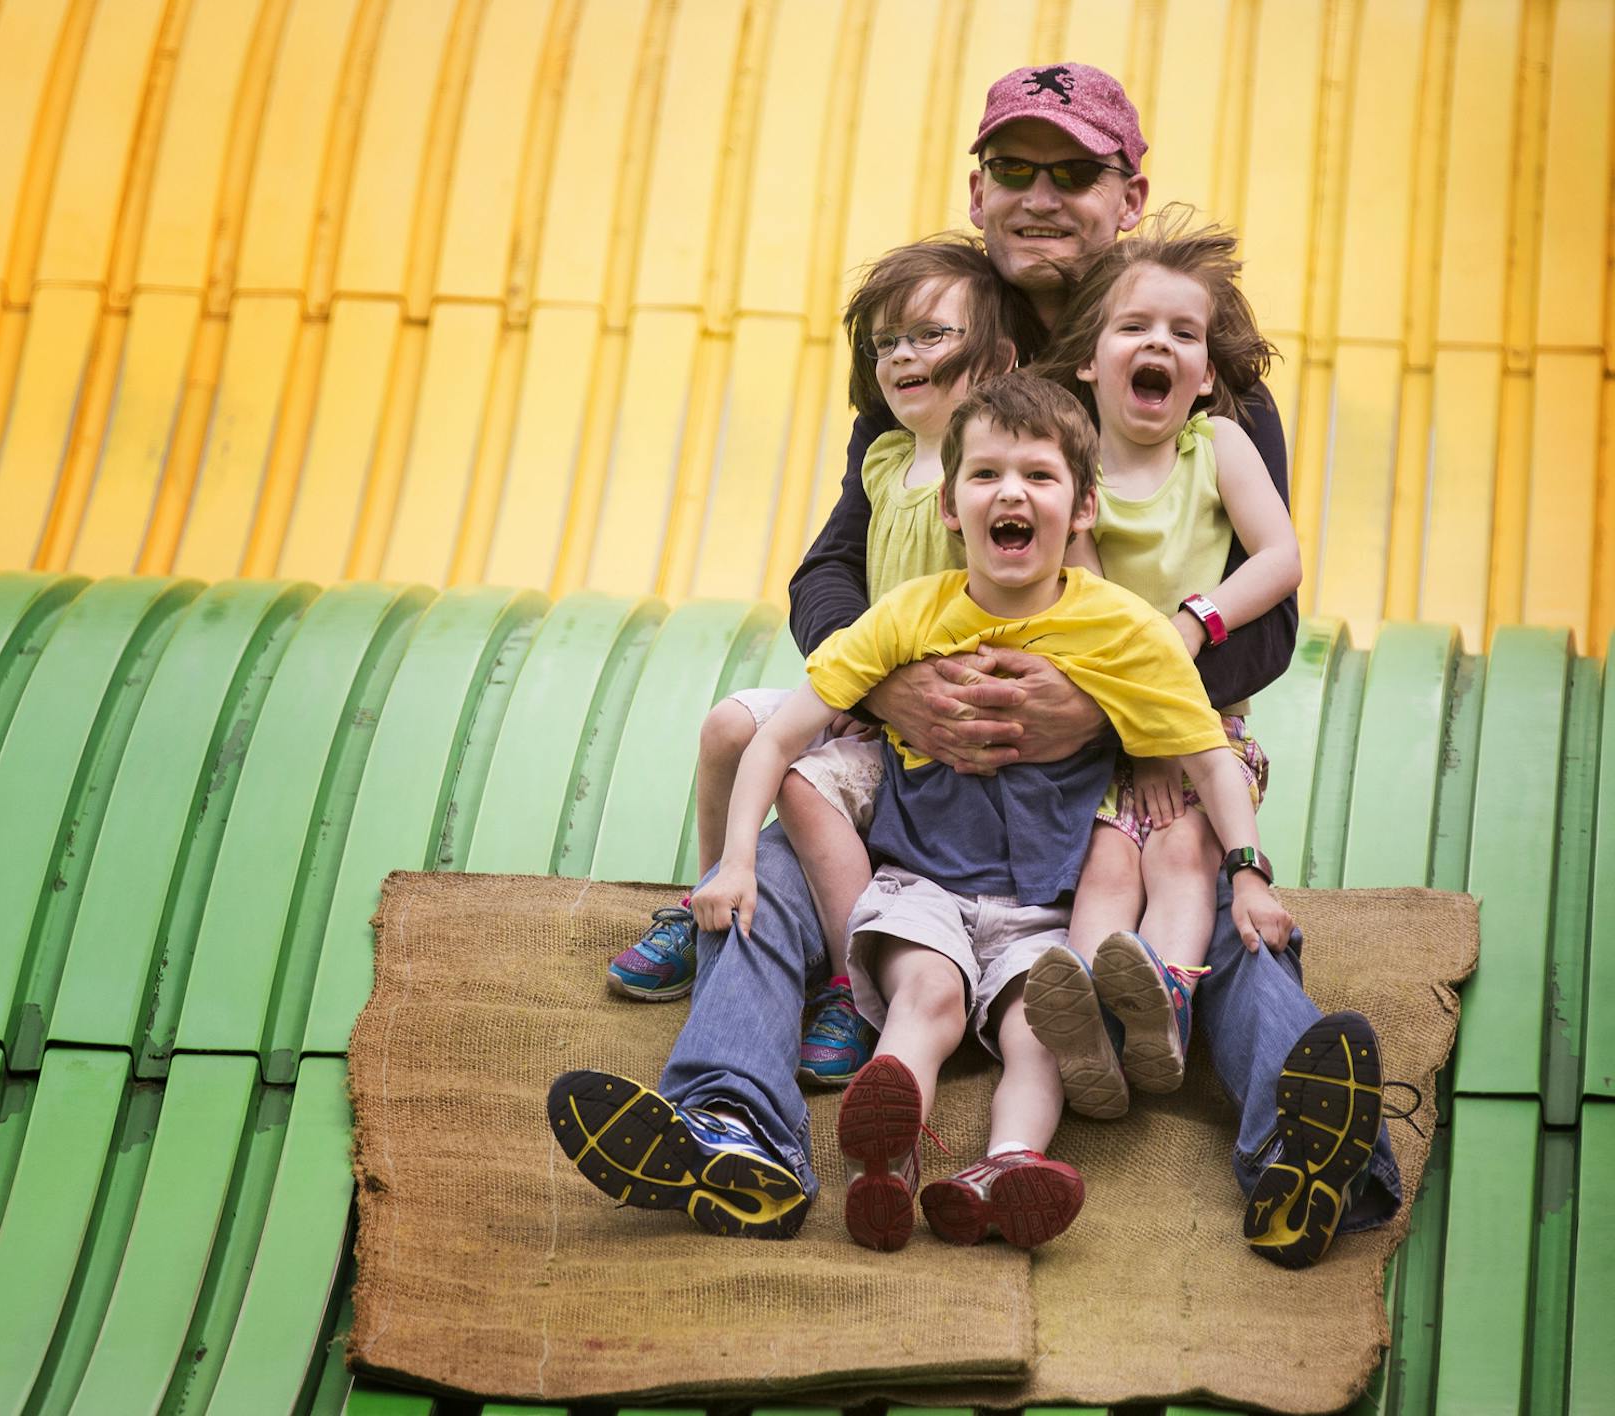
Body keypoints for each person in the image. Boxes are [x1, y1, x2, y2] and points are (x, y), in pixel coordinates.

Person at [556, 62, 1403, 1267]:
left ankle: (1309, 1162)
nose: (1042, 195)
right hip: (925, 751)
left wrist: (1107, 705)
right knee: (781, 876)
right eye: (1017, 169)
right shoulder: (939, 340)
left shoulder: (1201, 379)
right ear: (980, 187)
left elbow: (1269, 615)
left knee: (1208, 918)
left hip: (1138, 754)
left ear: (1129, 192)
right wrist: (893, 682)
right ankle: (732, 1132)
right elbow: (832, 573)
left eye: (1075, 171)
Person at [549, 372, 1297, 1251]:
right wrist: (733, 866)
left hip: (1046, 910)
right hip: (922, 889)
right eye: (984, 476)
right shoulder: (908, 617)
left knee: (1040, 1026)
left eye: (1039, 477)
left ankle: (1007, 1167)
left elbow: (1208, 759)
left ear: (1084, 505)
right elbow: (777, 736)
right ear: (949, 506)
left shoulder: (1126, 632)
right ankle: (885, 1162)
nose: (1010, 493)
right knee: (927, 998)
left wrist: (1248, 877)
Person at [604, 238, 1044, 1091]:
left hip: (932, 708)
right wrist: (859, 680)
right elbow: (830, 572)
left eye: (930, 336)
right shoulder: (883, 458)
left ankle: (853, 982)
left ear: (997, 358)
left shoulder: (987, 468)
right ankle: (706, 901)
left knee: (809, 789)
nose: (903, 356)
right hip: (869, 681)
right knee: (730, 725)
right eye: (887, 344)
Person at [1015, 217, 1303, 1122]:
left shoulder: (1217, 448)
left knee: (1181, 850)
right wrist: (1136, 709)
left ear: (1208, 376)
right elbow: (1088, 599)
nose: (1160, 346)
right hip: (1112, 726)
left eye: (1184, 336)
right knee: (1106, 864)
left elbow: (1280, 558)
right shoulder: (1074, 465)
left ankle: (1167, 996)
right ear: (1090, 362)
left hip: (1207, 724)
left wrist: (1195, 620)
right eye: (1135, 327)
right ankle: (1093, 1017)